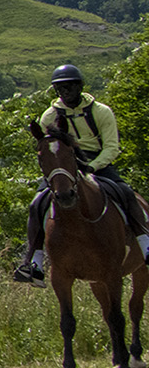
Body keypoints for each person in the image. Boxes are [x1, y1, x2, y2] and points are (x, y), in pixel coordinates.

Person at [13, 63, 148, 283]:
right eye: (61, 88)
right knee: (36, 204)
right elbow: (49, 149)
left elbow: (112, 146)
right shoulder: (49, 116)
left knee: (125, 192)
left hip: (97, 162)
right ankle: (33, 262)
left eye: (70, 86)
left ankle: (144, 242)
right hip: (63, 167)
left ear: (79, 86)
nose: (66, 92)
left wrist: (93, 166)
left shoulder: (101, 111)